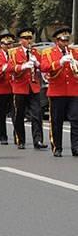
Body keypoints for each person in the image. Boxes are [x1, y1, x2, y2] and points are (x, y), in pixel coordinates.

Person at [40, 27, 78, 157]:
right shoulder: (48, 52)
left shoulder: (74, 52)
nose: (66, 43)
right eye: (63, 40)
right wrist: (60, 62)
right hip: (57, 91)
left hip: (73, 91)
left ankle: (76, 147)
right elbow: (44, 67)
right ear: (57, 40)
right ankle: (57, 147)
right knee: (56, 121)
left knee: (76, 120)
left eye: (67, 40)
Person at [8, 28, 47, 150]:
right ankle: (20, 139)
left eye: (30, 38)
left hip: (34, 86)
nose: (29, 41)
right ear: (20, 40)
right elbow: (10, 68)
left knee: (37, 114)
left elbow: (44, 68)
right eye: (26, 38)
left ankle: (38, 140)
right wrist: (22, 66)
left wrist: (37, 64)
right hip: (20, 87)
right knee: (19, 115)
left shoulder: (36, 53)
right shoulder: (13, 53)